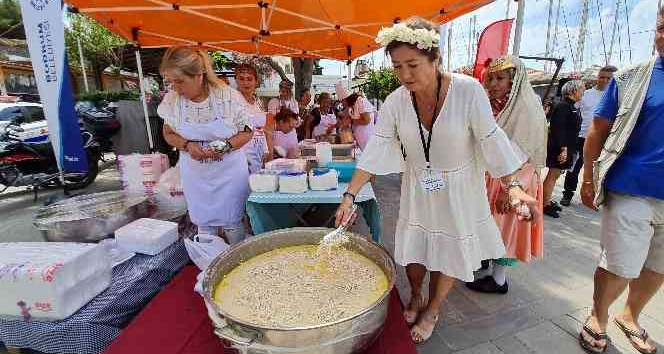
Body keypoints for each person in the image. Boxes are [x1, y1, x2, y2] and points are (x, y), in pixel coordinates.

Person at [334, 18, 537, 344]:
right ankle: (415, 295)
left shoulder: (468, 90)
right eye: (397, 66)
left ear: (435, 58)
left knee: (450, 251)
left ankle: (433, 308)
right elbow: (375, 150)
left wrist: (513, 186)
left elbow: (491, 139)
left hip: (460, 187)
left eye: (412, 64)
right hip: (418, 187)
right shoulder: (395, 101)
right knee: (415, 252)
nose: (404, 75)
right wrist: (349, 195)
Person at [578, 7, 664, 354]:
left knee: (659, 266)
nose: (663, 35)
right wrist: (587, 178)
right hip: (632, 188)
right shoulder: (630, 78)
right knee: (621, 264)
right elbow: (597, 132)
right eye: (661, 27)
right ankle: (598, 316)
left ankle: (630, 316)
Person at [466, 55, 548, 294]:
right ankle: (485, 261)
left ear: (515, 80)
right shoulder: (495, 104)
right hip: (491, 176)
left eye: (500, 78)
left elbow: (522, 155)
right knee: (489, 224)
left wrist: (508, 189)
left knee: (505, 227)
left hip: (514, 179)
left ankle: (499, 280)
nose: (493, 84)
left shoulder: (527, 109)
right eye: (490, 78)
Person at [158, 46, 253, 245]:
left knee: (232, 221)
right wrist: (187, 145)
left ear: (199, 75)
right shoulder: (173, 100)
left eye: (179, 81)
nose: (175, 87)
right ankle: (209, 262)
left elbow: (247, 131)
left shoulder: (228, 96)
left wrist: (225, 146)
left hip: (228, 170)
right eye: (171, 82)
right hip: (196, 173)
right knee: (203, 221)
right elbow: (168, 132)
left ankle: (236, 260)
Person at [560, 66, 617, 206]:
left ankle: (594, 198)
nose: (604, 80)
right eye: (602, 77)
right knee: (574, 167)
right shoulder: (586, 94)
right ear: (597, 77)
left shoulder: (616, 97)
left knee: (599, 171)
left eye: (608, 78)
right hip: (581, 137)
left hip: (604, 140)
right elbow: (572, 110)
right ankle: (567, 194)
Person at [542, 80, 584, 218]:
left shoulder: (571, 106)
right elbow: (557, 128)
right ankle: (544, 204)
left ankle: (546, 200)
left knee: (556, 175)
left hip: (568, 146)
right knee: (552, 175)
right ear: (573, 91)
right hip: (560, 147)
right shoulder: (563, 106)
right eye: (581, 90)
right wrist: (563, 148)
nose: (583, 92)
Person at [234, 63, 275, 172]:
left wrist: (268, 152)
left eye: (249, 79)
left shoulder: (258, 102)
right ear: (236, 80)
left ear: (256, 82)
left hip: (259, 155)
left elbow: (265, 130)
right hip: (242, 156)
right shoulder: (233, 101)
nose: (245, 82)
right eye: (241, 79)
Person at [335, 82, 377, 150]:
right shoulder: (351, 107)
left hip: (368, 140)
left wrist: (351, 121)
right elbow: (345, 120)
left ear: (346, 98)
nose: (342, 104)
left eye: (342, 101)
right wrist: (334, 126)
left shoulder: (361, 102)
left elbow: (366, 120)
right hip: (359, 140)